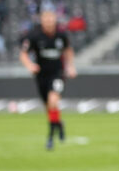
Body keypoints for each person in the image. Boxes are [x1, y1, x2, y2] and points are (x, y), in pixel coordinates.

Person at [19, 10, 77, 150]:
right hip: (41, 76)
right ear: (42, 20)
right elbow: (23, 54)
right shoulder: (34, 36)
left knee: (53, 101)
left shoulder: (61, 36)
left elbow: (68, 50)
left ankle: (50, 137)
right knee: (49, 107)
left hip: (57, 74)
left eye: (51, 19)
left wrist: (70, 66)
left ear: (55, 20)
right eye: (46, 19)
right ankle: (59, 124)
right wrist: (30, 65)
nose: (49, 22)